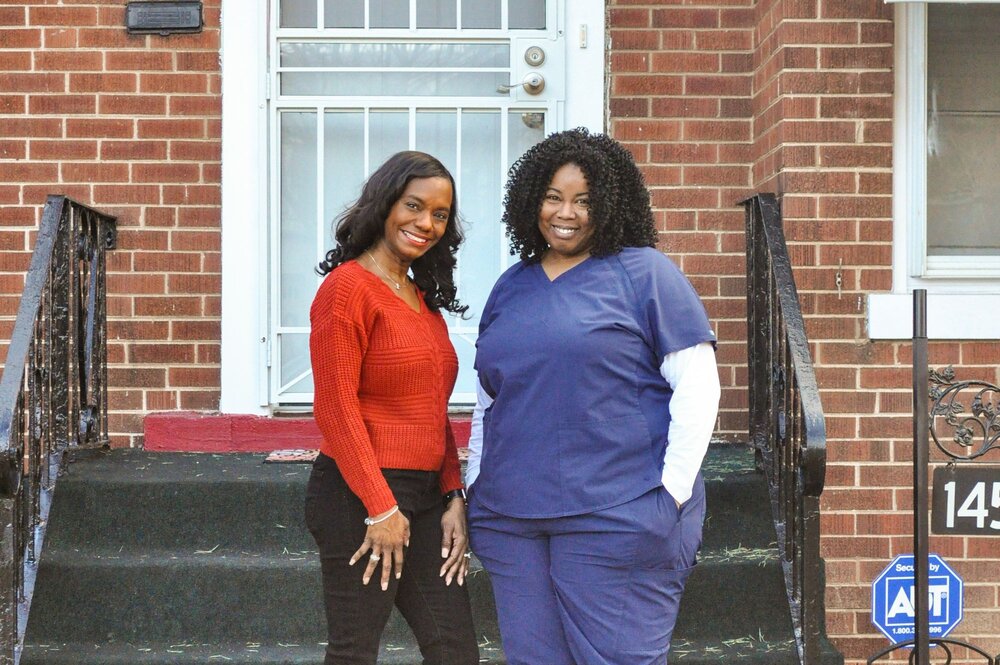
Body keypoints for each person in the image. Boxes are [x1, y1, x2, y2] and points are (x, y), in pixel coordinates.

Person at [467, 128, 721, 665]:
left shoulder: (645, 274)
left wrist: (669, 497)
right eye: (554, 197)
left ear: (609, 204)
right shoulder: (510, 285)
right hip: (511, 520)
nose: (567, 212)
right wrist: (475, 485)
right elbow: (488, 398)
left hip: (618, 513)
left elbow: (698, 388)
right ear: (531, 200)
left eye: (584, 200)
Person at [305, 151, 479, 665]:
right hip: (359, 496)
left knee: (454, 650)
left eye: (441, 214)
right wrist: (380, 507)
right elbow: (335, 408)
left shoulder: (422, 300)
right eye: (414, 206)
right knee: (355, 651)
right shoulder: (347, 290)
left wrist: (452, 493)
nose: (427, 223)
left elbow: (432, 411)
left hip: (424, 498)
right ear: (385, 205)